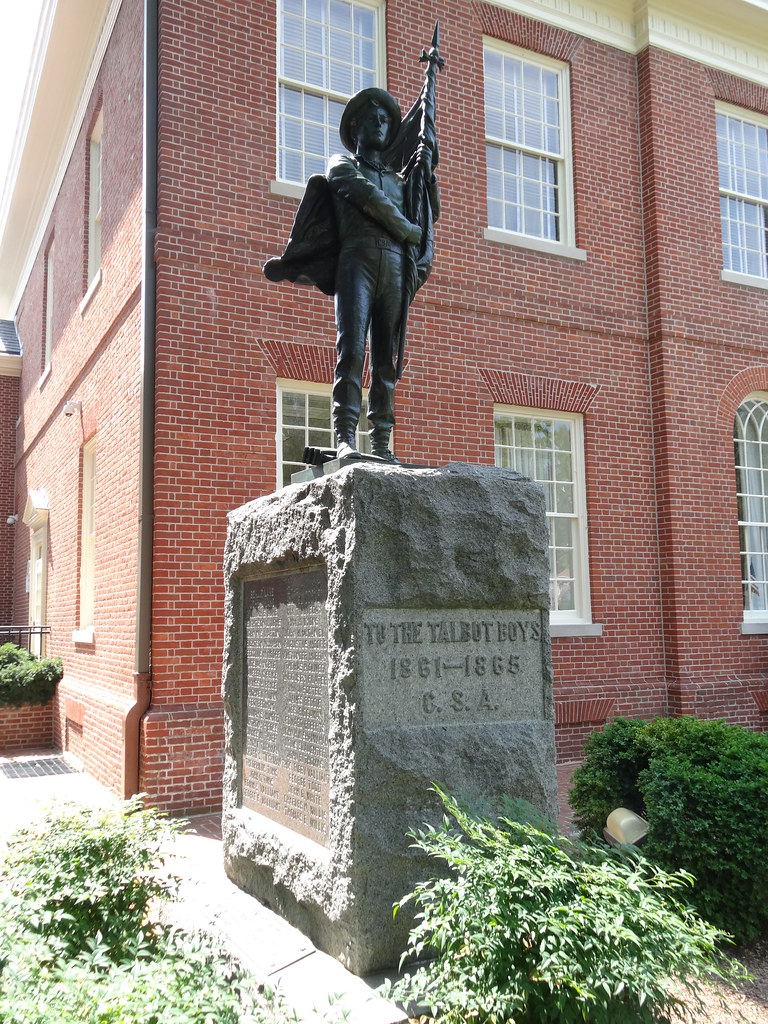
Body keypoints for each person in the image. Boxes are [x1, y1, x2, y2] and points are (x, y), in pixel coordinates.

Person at [264, 81, 440, 463]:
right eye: (371, 118)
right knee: (352, 349)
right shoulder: (341, 165)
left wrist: (426, 177)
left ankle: (381, 443)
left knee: (385, 360)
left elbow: (426, 219)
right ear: (355, 126)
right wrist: (404, 228)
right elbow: (362, 194)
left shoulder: (401, 182)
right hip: (356, 262)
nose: (379, 123)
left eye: (384, 119)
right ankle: (345, 436)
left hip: (393, 268)